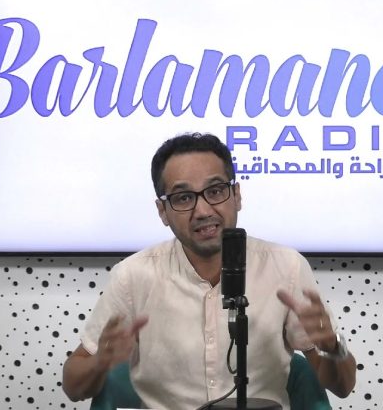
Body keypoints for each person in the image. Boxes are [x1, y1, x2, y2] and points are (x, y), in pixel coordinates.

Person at [62, 132, 356, 409]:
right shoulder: (132, 276)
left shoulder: (286, 267)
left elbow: (343, 387)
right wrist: (99, 363)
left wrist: (333, 348)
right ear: (162, 211)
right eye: (183, 198)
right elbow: (74, 388)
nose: (203, 211)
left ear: (236, 195)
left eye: (215, 191)